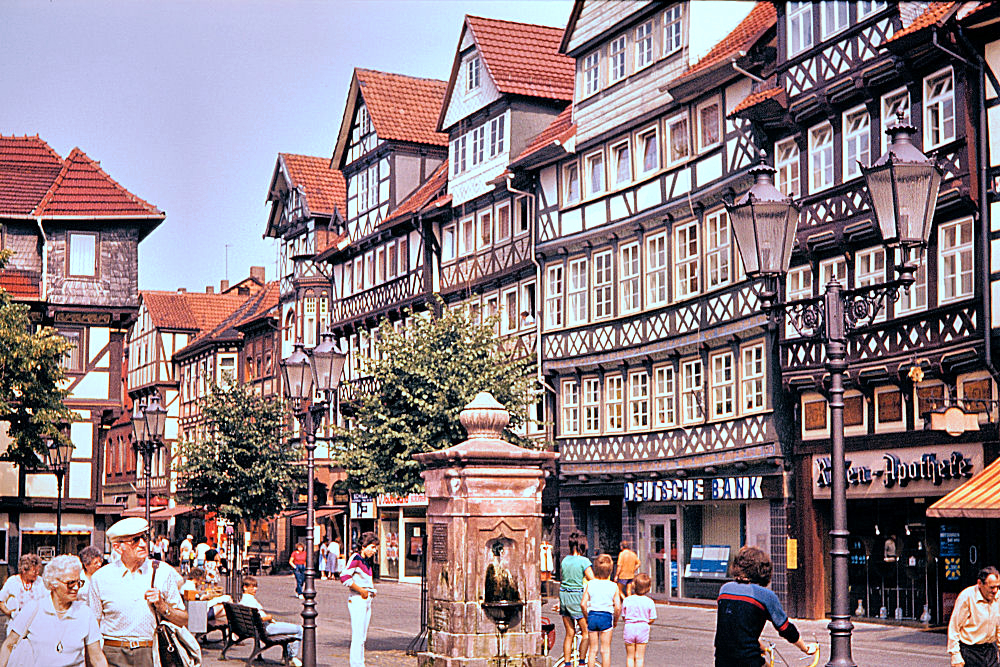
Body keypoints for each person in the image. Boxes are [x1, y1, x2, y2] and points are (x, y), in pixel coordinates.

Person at [87, 517, 188, 667]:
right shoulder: (101, 578)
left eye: (144, 537)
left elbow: (183, 620)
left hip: (150, 653)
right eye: (134, 540)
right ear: (117, 547)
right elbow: (92, 625)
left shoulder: (162, 572)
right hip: (112, 653)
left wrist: (162, 605)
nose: (143, 544)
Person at [714, 546, 817, 667]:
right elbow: (786, 629)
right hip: (749, 660)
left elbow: (735, 625)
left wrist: (758, 644)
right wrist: (805, 648)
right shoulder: (765, 596)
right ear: (763, 570)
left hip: (722, 659)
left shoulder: (725, 589)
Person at [0, 554, 107, 667]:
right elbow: (9, 645)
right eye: (70, 583)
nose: (76, 588)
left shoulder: (85, 613)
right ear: (53, 584)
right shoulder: (33, 609)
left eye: (78, 583)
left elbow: (97, 657)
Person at [240, 576, 302, 667]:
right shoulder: (250, 601)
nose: (255, 589)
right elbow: (258, 618)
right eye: (252, 587)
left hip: (257, 628)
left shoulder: (243, 600)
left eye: (256, 586)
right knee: (298, 629)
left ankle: (288, 655)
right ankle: (291, 657)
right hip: (265, 628)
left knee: (290, 631)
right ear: (245, 587)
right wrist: (269, 617)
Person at [947, 566, 1000, 666]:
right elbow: (954, 627)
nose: (995, 591)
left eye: (998, 587)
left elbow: (999, 627)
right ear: (980, 583)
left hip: (989, 650)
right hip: (970, 651)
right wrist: (955, 654)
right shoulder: (966, 596)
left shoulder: (998, 597)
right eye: (991, 587)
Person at [340, 531, 378, 667]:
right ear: (364, 546)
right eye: (372, 547)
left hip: (366, 600)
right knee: (358, 636)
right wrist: (361, 590)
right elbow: (344, 577)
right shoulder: (355, 558)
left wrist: (371, 591)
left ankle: (360, 663)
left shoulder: (366, 561)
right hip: (357, 600)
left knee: (362, 637)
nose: (375, 550)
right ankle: (356, 664)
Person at [558, 531, 594, 666]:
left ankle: (567, 663)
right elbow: (592, 579)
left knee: (569, 633)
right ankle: (582, 662)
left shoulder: (565, 560)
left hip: (564, 596)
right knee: (586, 632)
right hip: (576, 596)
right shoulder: (584, 561)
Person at [581, 553, 621, 667]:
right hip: (606, 616)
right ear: (610, 570)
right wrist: (616, 620)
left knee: (593, 649)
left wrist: (587, 617)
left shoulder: (591, 584)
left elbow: (583, 604)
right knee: (605, 650)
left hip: (593, 616)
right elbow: (618, 607)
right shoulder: (613, 586)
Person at [0, 554, 45, 634]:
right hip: (15, 624)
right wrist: (7, 612)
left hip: (36, 625)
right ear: (24, 570)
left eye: (38, 570)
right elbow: (1, 600)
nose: (37, 573)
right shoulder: (12, 581)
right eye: (34, 571)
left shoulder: (40, 581)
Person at [621, 573, 656, 667]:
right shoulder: (649, 601)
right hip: (643, 628)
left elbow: (624, 616)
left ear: (633, 585)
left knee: (630, 656)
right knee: (640, 657)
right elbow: (652, 618)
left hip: (629, 627)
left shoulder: (627, 600)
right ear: (648, 588)